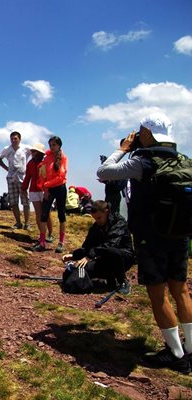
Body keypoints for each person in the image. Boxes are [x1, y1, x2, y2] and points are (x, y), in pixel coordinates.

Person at [97, 112, 192, 374]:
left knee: (158, 293)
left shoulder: (143, 161)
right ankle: (191, 350)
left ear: (148, 133)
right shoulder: (184, 160)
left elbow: (104, 172)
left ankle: (175, 354)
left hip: (152, 238)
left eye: (140, 131)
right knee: (181, 290)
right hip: (180, 235)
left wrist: (122, 149)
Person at [62, 200, 134, 293]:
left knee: (112, 251)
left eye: (99, 218)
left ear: (106, 212)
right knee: (83, 269)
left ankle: (122, 281)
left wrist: (90, 256)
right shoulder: (96, 226)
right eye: (95, 218)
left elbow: (110, 244)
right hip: (104, 258)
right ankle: (109, 277)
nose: (97, 221)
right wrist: (74, 255)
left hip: (124, 257)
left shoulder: (119, 222)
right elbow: (87, 246)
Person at [35, 136, 68, 253]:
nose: (52, 147)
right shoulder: (47, 158)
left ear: (59, 145)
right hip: (49, 189)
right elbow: (42, 174)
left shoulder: (63, 157)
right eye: (50, 145)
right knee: (44, 215)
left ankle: (61, 243)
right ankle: (42, 242)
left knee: (61, 214)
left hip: (60, 188)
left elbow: (61, 176)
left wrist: (47, 184)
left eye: (54, 145)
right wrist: (45, 188)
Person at [0, 131, 31, 229]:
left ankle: (27, 223)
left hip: (22, 177)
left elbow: (35, 154)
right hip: (11, 177)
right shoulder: (7, 149)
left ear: (20, 139)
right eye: (12, 138)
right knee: (13, 201)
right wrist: (6, 168)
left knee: (25, 201)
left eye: (15, 138)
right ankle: (18, 223)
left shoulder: (26, 148)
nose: (13, 140)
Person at [22, 143, 54, 246]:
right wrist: (24, 187)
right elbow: (27, 177)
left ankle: (50, 234)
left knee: (47, 213)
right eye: (32, 151)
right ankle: (42, 234)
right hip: (33, 190)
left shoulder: (46, 162)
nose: (32, 153)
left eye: (34, 151)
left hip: (45, 189)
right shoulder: (30, 163)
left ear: (39, 152)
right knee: (38, 213)